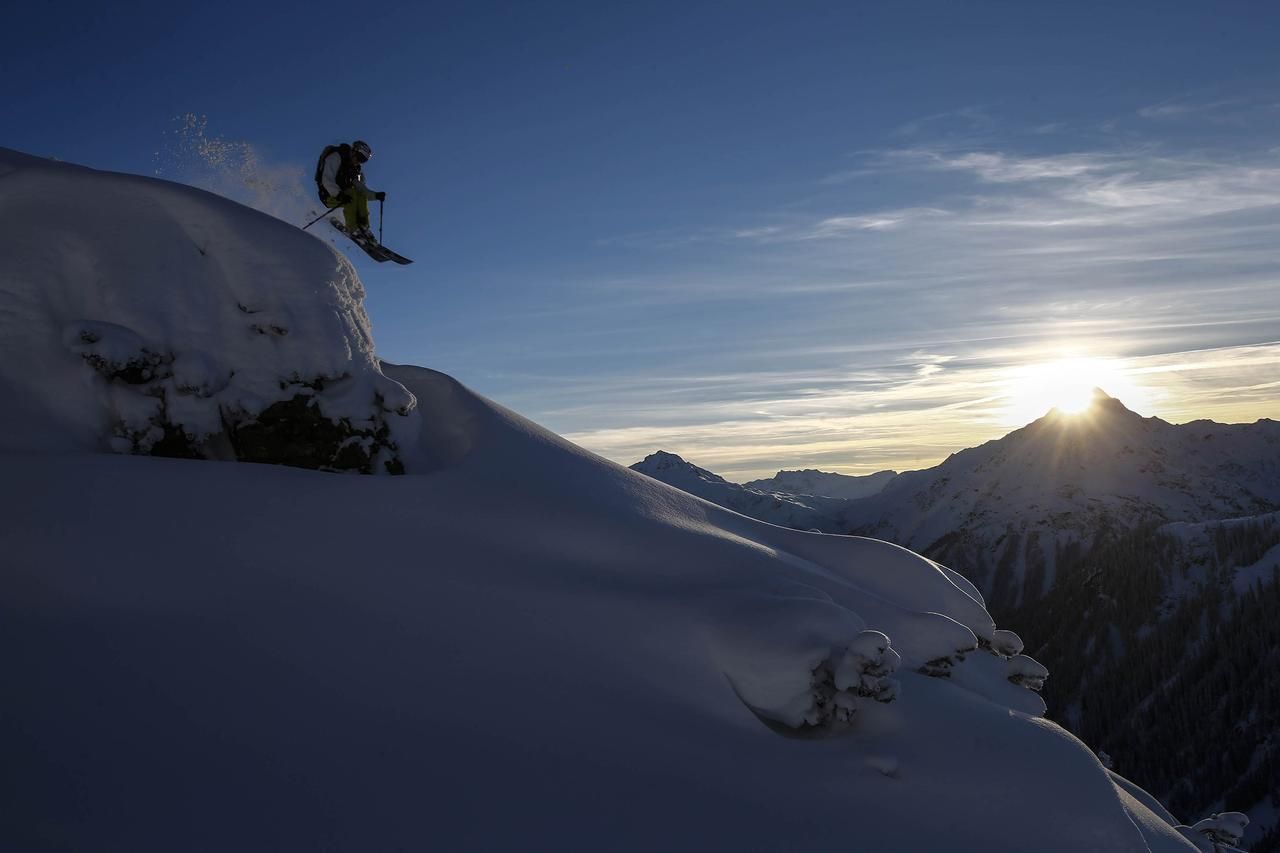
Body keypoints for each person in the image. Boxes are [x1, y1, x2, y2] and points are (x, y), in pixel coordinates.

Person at [314, 140, 385, 243]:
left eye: (363, 160)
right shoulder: (336, 156)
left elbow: (362, 190)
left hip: (345, 196)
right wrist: (339, 194)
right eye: (360, 158)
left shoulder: (356, 170)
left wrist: (375, 195)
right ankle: (353, 229)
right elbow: (326, 179)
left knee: (359, 194)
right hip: (328, 194)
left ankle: (364, 228)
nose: (359, 162)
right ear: (353, 151)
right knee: (352, 194)